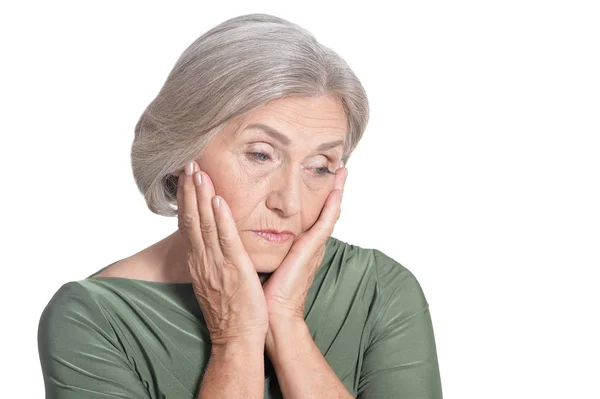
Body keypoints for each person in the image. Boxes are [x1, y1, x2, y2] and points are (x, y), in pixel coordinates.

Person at [37, 13, 443, 399]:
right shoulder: (92, 317)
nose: (289, 202)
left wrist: (285, 321)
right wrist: (236, 336)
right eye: (260, 155)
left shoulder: (378, 288)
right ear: (183, 151)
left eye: (319, 167)